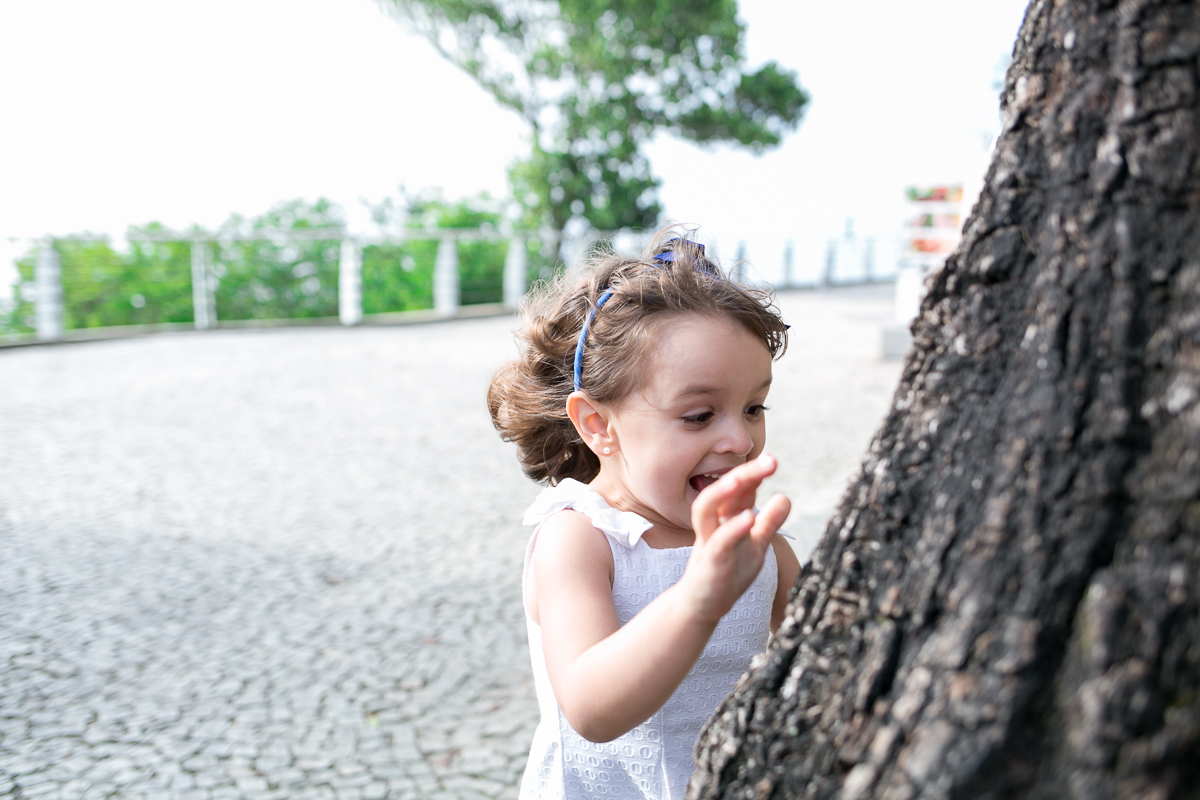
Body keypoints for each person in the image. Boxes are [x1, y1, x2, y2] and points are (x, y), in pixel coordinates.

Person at [488, 231, 801, 800]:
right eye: (700, 414)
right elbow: (590, 707)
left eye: (754, 407)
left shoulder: (764, 553)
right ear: (598, 426)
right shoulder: (581, 538)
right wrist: (699, 599)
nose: (739, 439)